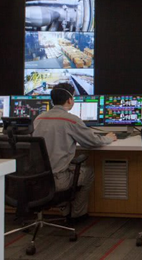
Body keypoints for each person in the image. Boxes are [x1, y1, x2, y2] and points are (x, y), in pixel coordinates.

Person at [33, 83, 117, 221]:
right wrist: (108, 138)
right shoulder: (70, 119)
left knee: (71, 166)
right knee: (88, 172)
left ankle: (65, 210)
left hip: (37, 179)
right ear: (70, 100)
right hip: (58, 180)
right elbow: (92, 142)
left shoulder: (38, 119)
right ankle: (77, 214)